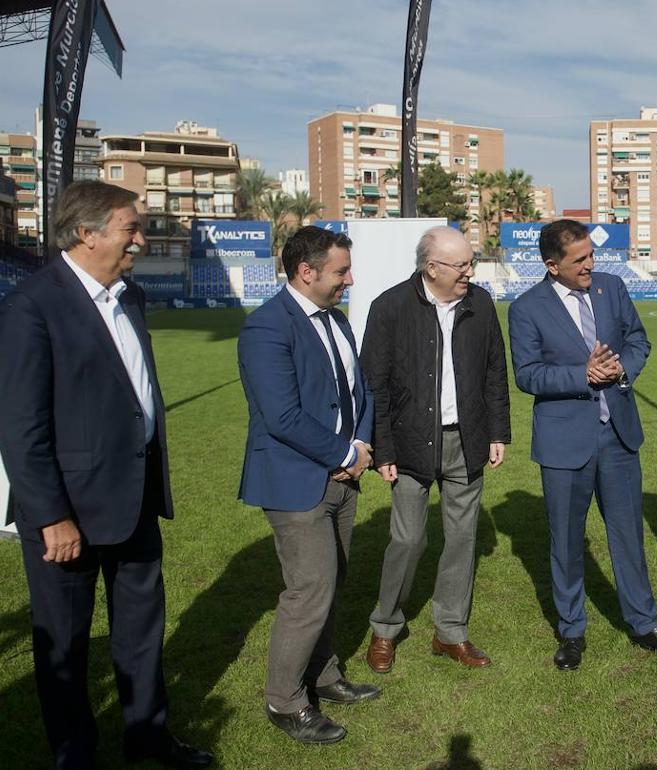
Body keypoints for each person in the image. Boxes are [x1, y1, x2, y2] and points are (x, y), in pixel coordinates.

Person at [0, 180, 213, 769]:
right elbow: (21, 429)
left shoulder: (131, 296)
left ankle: (148, 736)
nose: (140, 240)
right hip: (68, 514)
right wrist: (51, 516)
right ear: (86, 233)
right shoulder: (32, 307)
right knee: (64, 645)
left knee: (142, 631)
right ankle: (75, 753)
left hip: (135, 495)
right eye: (131, 229)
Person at [507, 219, 657, 670]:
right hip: (564, 443)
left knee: (628, 536)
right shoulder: (526, 308)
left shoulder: (611, 288)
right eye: (580, 260)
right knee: (567, 541)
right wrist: (582, 375)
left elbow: (637, 340)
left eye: (591, 255)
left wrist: (621, 371)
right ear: (553, 266)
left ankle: (644, 623)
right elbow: (527, 374)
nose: (591, 265)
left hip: (619, 438)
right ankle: (572, 631)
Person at [238, 225, 379, 745]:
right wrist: (345, 453)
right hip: (296, 481)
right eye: (340, 271)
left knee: (333, 581)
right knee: (309, 589)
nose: (349, 279)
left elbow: (359, 389)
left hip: (344, 475)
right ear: (306, 271)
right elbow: (282, 416)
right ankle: (284, 700)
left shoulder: (337, 321)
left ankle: (323, 675)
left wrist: (361, 445)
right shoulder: (266, 328)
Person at [360, 226, 510, 673]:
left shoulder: (480, 304)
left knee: (462, 539)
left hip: (467, 440)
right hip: (408, 443)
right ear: (432, 268)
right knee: (407, 539)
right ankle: (386, 626)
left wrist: (497, 432)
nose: (469, 271)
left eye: (470, 262)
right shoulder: (389, 307)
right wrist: (383, 450)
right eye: (461, 264)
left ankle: (451, 633)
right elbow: (375, 387)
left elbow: (494, 372)